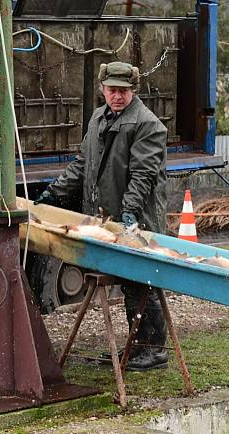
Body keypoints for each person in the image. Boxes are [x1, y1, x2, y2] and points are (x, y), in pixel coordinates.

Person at [34, 61, 169, 371]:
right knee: (128, 281)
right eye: (112, 91)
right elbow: (83, 165)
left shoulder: (147, 124)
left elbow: (143, 174)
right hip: (106, 217)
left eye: (123, 91)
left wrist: (130, 212)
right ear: (103, 90)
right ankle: (138, 346)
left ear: (133, 91)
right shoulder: (98, 118)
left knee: (143, 282)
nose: (117, 97)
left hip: (137, 219)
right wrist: (54, 192)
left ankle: (153, 349)